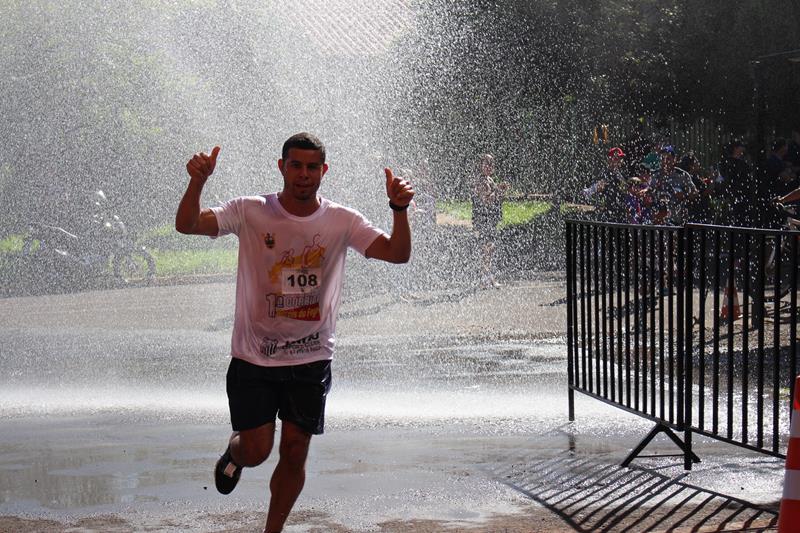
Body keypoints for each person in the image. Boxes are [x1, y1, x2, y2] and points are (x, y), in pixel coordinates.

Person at [175, 132, 414, 533]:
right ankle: (233, 456)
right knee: (257, 449)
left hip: (312, 356)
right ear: (282, 167)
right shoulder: (252, 210)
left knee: (295, 449)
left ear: (324, 171)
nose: (304, 175)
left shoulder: (342, 220)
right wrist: (197, 181)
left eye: (312, 167)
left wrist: (399, 209)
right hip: (254, 355)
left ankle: (273, 530)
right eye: (296, 166)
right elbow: (187, 225)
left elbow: (397, 253)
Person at [471, 153, 508, 289]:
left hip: (490, 220)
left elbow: (496, 198)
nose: (489, 166)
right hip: (483, 220)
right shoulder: (480, 180)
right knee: (486, 249)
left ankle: (486, 278)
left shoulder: (489, 180)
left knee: (489, 250)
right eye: (486, 163)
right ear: (480, 165)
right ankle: (486, 279)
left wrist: (500, 192)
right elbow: (486, 200)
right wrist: (498, 190)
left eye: (491, 163)